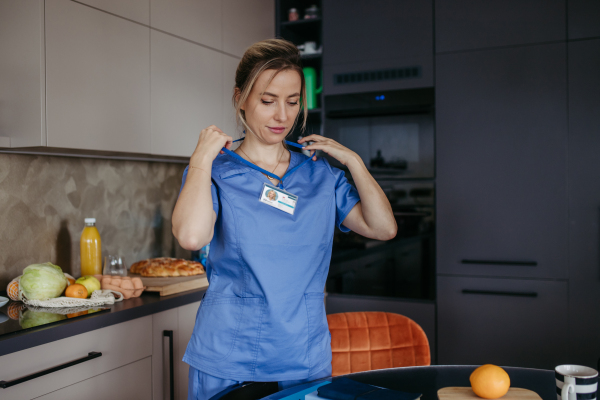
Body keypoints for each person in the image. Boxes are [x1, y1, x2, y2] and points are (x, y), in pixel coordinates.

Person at [172, 38, 397, 400]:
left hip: (302, 356)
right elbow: (191, 236)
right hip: (229, 357)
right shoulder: (216, 171)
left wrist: (353, 161)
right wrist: (200, 159)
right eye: (267, 101)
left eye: (292, 102)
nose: (282, 116)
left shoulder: (320, 175)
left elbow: (383, 228)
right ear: (240, 98)